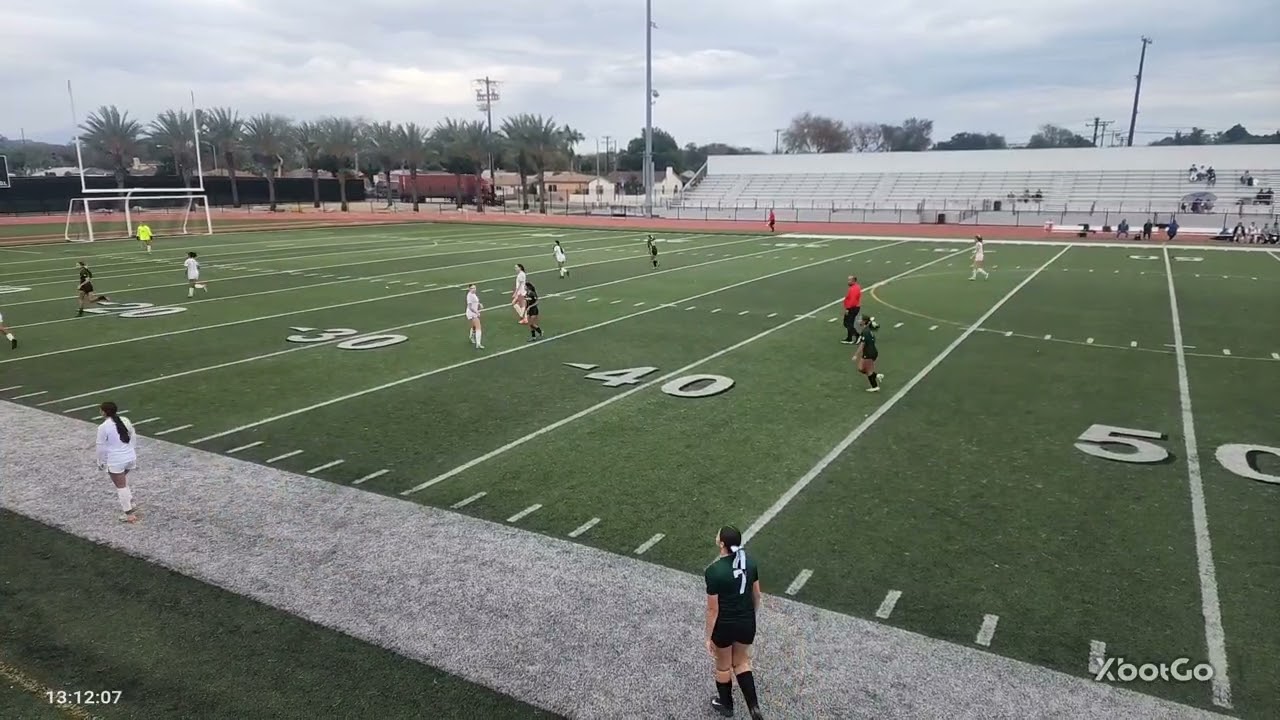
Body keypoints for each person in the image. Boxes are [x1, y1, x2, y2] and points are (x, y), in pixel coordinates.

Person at [704, 525, 763, 720]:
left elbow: (713, 610)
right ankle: (754, 708)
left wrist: (708, 636)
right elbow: (757, 596)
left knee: (723, 665)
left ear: (722, 544)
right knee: (741, 662)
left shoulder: (714, 571)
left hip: (725, 625)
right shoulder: (751, 563)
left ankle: (726, 705)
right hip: (746, 622)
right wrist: (750, 616)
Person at [95, 401, 139, 524]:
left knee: (120, 486)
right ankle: (131, 503)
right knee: (123, 483)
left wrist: (100, 462)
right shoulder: (125, 420)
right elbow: (133, 435)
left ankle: (129, 514)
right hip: (130, 457)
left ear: (103, 412)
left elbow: (100, 447)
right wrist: (131, 450)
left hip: (116, 460)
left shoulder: (103, 427)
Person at [853, 315, 883, 393]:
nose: (859, 321)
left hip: (869, 353)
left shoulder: (865, 331)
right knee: (861, 368)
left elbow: (862, 344)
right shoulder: (867, 330)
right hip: (870, 351)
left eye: (860, 319)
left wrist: (856, 354)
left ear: (864, 321)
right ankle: (876, 375)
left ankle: (875, 386)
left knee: (868, 370)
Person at [841, 275, 862, 345]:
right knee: (849, 323)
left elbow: (852, 300)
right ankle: (849, 338)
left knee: (847, 323)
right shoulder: (855, 287)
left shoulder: (854, 289)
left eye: (850, 280)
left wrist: (847, 308)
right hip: (854, 307)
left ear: (854, 281)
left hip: (852, 308)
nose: (848, 281)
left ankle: (857, 336)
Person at [465, 283, 484, 350]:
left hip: (473, 313)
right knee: (478, 327)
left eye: (475, 288)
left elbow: (475, 301)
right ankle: (478, 344)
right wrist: (476, 312)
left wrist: (479, 304)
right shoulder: (469, 296)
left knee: (474, 327)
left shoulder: (473, 294)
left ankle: (471, 337)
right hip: (471, 313)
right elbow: (470, 307)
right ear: (469, 289)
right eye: (472, 288)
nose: (474, 289)